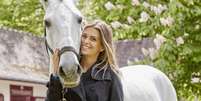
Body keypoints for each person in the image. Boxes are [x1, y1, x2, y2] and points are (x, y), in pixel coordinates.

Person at [45, 20, 124, 101]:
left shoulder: (111, 77)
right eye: (84, 36)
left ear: (102, 47)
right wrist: (55, 73)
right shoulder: (67, 70)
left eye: (93, 39)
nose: (86, 41)